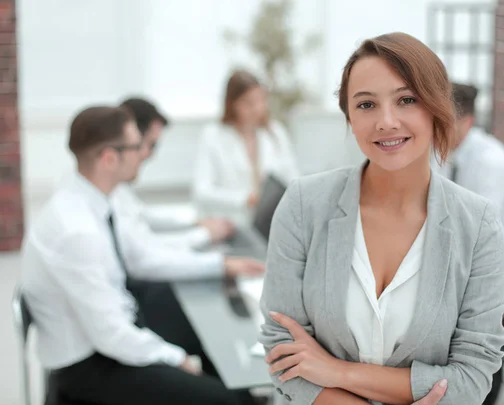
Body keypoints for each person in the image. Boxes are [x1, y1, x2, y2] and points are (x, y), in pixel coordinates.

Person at [259, 32, 504, 405]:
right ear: (349, 117)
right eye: (366, 105)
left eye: (406, 99)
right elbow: (283, 352)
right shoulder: (302, 205)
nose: (386, 122)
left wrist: (339, 371)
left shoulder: (479, 226)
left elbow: (471, 379)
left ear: (437, 106)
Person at [21, 106, 264, 405]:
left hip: (107, 332)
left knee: (211, 343)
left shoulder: (88, 198)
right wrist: (175, 359)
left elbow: (137, 255)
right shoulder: (78, 232)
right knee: (222, 400)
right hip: (89, 365)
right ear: (109, 158)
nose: (145, 154)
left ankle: (242, 393)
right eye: (137, 146)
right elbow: (112, 336)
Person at [115, 97, 235, 249]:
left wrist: (195, 225)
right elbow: (143, 250)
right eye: (152, 145)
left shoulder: (120, 190)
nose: (150, 155)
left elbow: (143, 216)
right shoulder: (111, 194)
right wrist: (205, 234)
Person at [439, 83, 504, 273]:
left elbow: (481, 231)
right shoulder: (439, 150)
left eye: (443, 122)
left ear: (468, 122)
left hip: (501, 264)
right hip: (459, 253)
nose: (435, 129)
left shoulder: (490, 162)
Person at [191, 69, 300, 225]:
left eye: (261, 100)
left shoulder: (275, 133)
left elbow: (294, 180)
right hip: (231, 223)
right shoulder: (212, 136)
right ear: (232, 104)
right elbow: (201, 192)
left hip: (272, 223)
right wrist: (245, 199)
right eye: (248, 103)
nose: (257, 108)